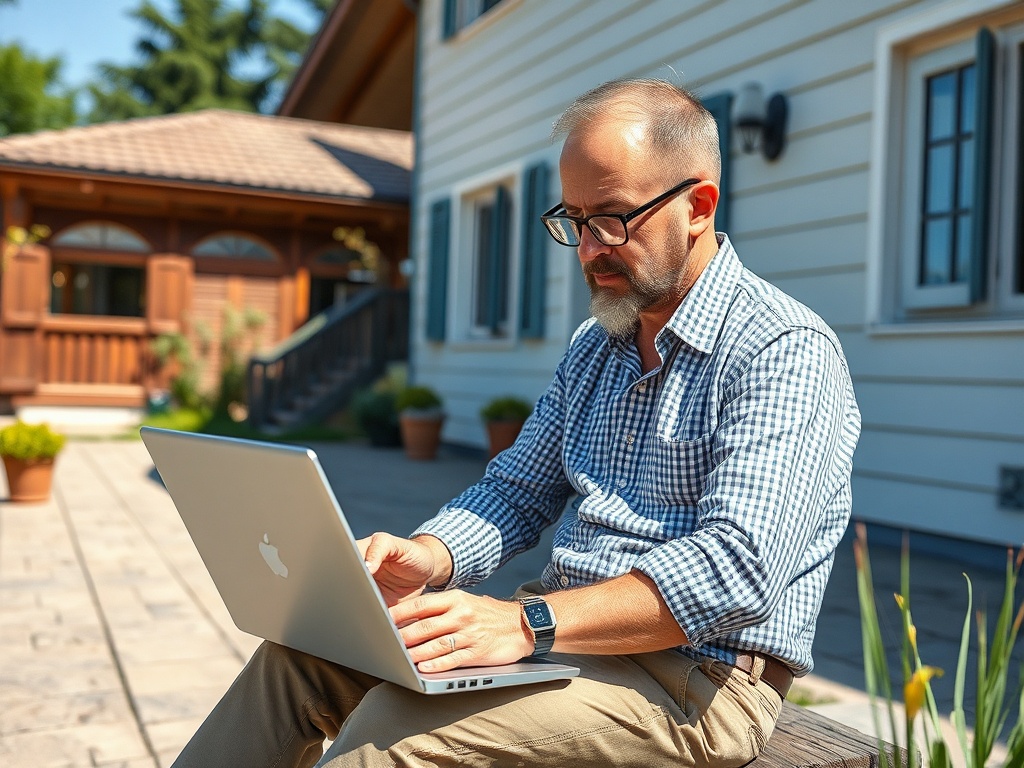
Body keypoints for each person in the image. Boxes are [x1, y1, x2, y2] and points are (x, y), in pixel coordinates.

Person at [172, 78, 861, 768]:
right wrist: (432, 556)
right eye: (574, 221)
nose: (589, 249)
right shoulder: (597, 348)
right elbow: (517, 491)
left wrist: (525, 622)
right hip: (569, 640)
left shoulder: (781, 349)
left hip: (697, 684)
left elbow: (733, 570)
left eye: (612, 219)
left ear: (698, 206)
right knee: (297, 658)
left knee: (391, 736)